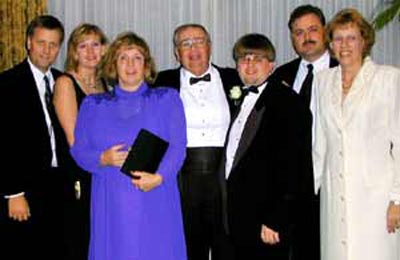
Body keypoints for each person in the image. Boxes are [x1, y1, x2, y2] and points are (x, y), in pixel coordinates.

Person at [70, 31, 187, 260]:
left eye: (137, 58)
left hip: (155, 194)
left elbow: (178, 146)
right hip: (111, 199)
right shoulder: (93, 105)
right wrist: (102, 159)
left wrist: (159, 177)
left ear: (146, 65)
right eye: (123, 57)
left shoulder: (167, 99)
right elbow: (79, 150)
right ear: (114, 64)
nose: (130, 64)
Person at [313, 8, 400, 260]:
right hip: (334, 193)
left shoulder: (389, 79)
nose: (345, 45)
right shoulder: (322, 81)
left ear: (364, 41)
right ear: (330, 44)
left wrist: (397, 199)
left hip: (376, 196)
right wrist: (311, 189)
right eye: (338, 38)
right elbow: (320, 143)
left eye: (351, 37)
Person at [153, 23, 242, 260]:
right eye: (185, 43)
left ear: (210, 46)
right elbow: (150, 128)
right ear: (176, 52)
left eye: (199, 41)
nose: (193, 48)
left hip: (224, 178)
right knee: (188, 246)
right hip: (182, 178)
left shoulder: (234, 77)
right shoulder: (162, 82)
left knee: (227, 244)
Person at [222, 33, 312, 260]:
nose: (250, 65)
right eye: (244, 58)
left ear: (271, 66)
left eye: (258, 59)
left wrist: (276, 218)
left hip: (265, 222)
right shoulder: (236, 99)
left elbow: (295, 167)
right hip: (236, 217)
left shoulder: (288, 103)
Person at [271, 5, 338, 260]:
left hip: (330, 177)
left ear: (325, 31)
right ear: (292, 39)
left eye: (312, 30)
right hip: (289, 183)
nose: (306, 37)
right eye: (298, 32)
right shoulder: (281, 75)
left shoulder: (342, 70)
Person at [0, 15, 68, 259]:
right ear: (29, 42)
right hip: (24, 189)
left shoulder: (63, 81)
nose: (46, 50)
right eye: (41, 42)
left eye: (53, 44)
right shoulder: (6, 84)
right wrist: (13, 192)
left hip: (59, 186)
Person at [53, 23, 108, 260]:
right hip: (78, 174)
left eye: (95, 44)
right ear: (74, 52)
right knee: (80, 240)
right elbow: (75, 140)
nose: (90, 52)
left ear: (104, 49)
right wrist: (105, 160)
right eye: (83, 46)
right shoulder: (65, 83)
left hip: (102, 171)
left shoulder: (105, 84)